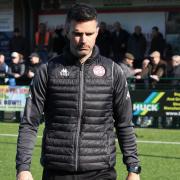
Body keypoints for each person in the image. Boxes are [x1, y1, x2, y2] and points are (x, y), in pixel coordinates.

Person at [16, 4, 141, 180]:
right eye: (77, 33)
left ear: (97, 32)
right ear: (67, 31)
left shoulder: (113, 72)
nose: (83, 40)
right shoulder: (47, 71)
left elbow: (125, 124)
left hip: (101, 172)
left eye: (89, 34)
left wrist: (133, 168)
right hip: (57, 172)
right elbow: (29, 123)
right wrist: (23, 168)